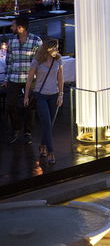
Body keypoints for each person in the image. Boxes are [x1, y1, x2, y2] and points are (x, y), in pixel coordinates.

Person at [23, 38, 63, 163]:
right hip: (40, 96)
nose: (57, 50)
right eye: (55, 48)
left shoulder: (58, 59)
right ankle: (50, 152)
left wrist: (61, 95)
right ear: (47, 49)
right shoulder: (37, 61)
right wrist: (26, 96)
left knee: (49, 125)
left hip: (54, 95)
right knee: (46, 123)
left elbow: (61, 78)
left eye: (57, 48)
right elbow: (29, 79)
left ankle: (42, 145)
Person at [4, 15, 42, 144]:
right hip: (13, 78)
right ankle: (16, 129)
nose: (11, 27)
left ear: (21, 28)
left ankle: (28, 132)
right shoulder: (11, 41)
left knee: (29, 107)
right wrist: (6, 78)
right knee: (10, 105)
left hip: (29, 79)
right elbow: (8, 61)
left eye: (13, 25)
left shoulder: (36, 41)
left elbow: (39, 63)